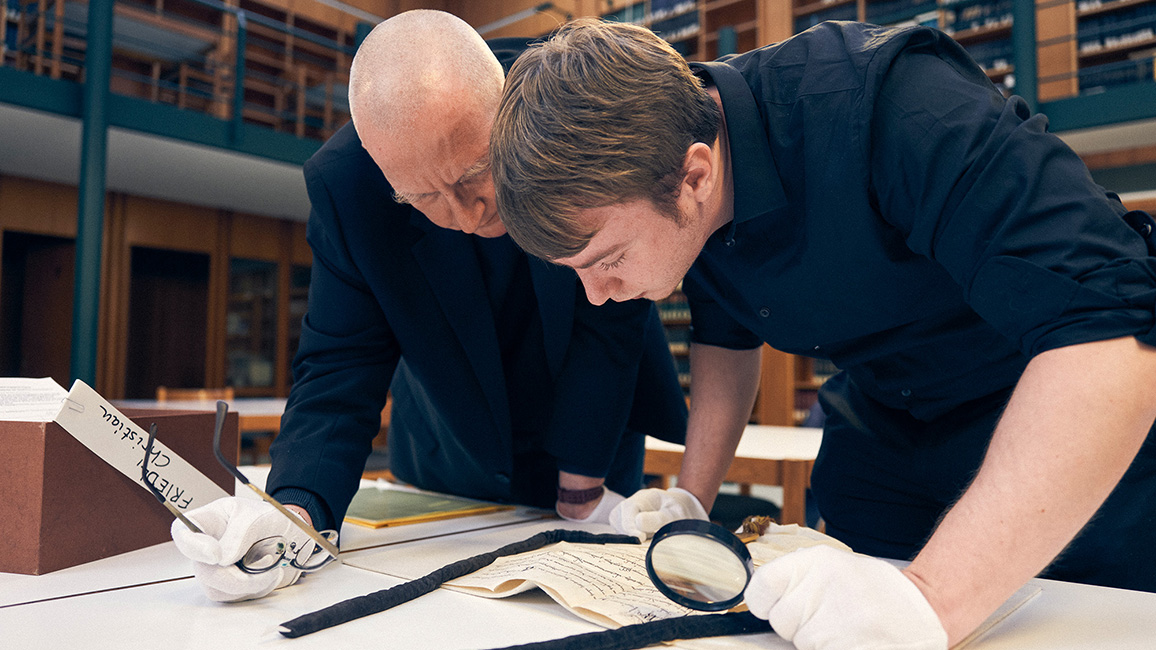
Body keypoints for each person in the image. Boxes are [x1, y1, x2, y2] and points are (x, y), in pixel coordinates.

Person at [488, 18, 1156, 650]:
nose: (598, 295)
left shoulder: (900, 107)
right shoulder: (675, 173)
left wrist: (930, 596)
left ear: (695, 175)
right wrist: (692, 500)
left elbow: (1109, 330)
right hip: (881, 427)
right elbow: (726, 342)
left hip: (1052, 423)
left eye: (606, 260)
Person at [169, 10, 687, 603]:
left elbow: (611, 306)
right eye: (422, 198)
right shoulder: (350, 189)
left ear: (505, 109)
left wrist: (583, 483)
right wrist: (294, 513)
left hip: (592, 434)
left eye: (474, 177)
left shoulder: (565, 100)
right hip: (452, 450)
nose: (465, 218)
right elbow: (340, 365)